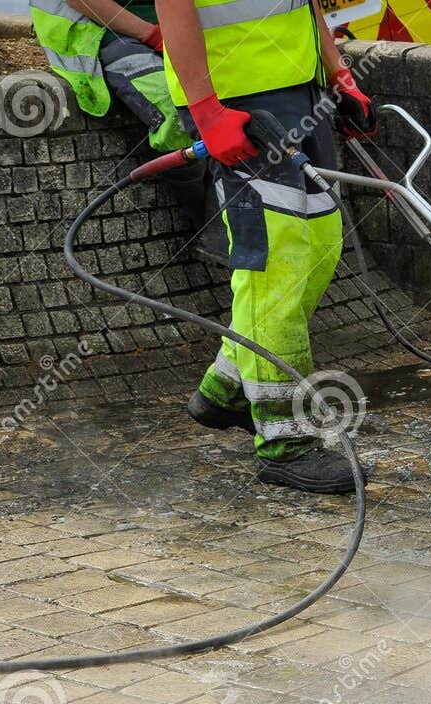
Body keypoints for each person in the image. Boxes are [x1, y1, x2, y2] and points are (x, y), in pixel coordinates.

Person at [158, 0, 373, 493]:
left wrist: (338, 72)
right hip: (238, 104)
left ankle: (227, 389)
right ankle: (284, 442)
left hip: (300, 93)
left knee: (320, 244)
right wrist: (207, 111)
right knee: (276, 263)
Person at [29, 0, 205, 214]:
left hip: (176, 21)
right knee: (177, 113)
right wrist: (152, 34)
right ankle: (211, 230)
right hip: (98, 29)